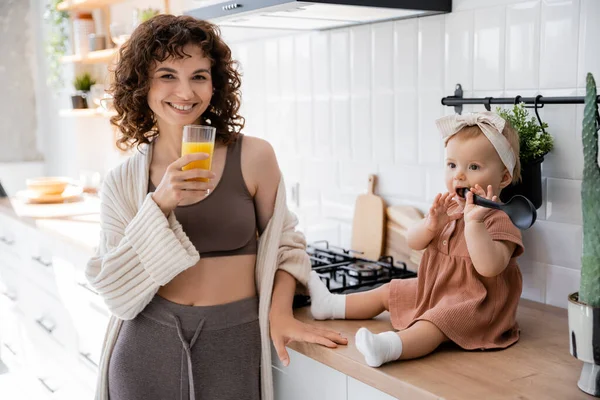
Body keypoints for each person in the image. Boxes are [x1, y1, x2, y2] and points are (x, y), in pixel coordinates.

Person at [85, 14, 347, 400]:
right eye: (168, 75)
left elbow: (286, 245)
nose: (185, 91)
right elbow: (115, 290)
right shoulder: (123, 181)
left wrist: (280, 312)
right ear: (143, 84)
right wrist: (160, 204)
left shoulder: (254, 156)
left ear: (216, 84)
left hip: (234, 339)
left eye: (199, 76)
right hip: (146, 346)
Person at [308, 111, 524, 367]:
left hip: (476, 307)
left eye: (473, 167)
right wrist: (431, 225)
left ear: (503, 177)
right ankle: (330, 305)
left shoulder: (497, 220)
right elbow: (413, 241)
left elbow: (489, 266)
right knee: (390, 291)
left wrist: (474, 223)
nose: (459, 176)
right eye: (452, 165)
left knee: (435, 322)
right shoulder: (449, 209)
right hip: (435, 292)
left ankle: (389, 347)